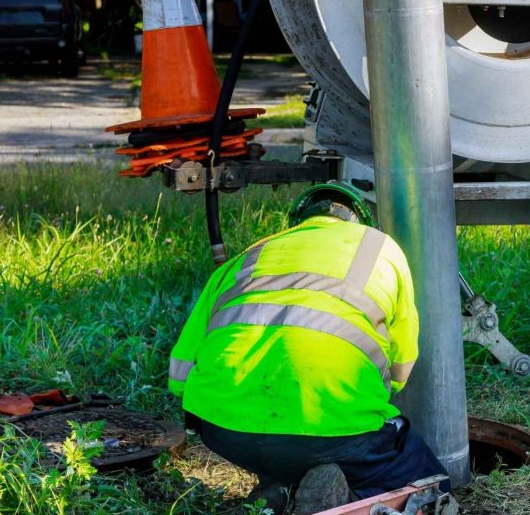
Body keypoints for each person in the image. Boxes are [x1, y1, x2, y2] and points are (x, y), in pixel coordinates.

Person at [167, 183, 449, 514]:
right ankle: (348, 504)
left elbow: (179, 379)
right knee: (433, 483)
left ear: (298, 223)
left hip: (223, 433)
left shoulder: (247, 257)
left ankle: (278, 493)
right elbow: (401, 370)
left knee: (285, 447)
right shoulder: (380, 247)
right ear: (360, 221)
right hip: (334, 431)